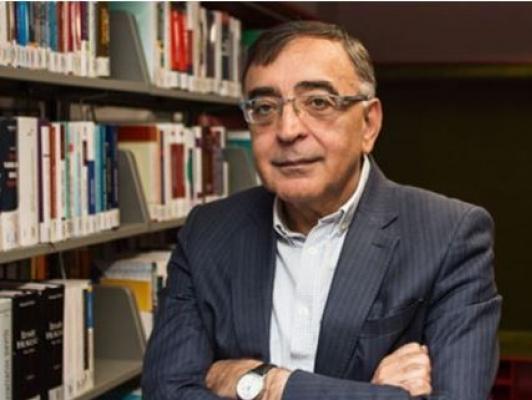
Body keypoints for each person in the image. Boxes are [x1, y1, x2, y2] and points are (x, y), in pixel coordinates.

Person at [142, 21, 501, 400]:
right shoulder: (208, 231)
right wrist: (371, 394)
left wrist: (270, 384)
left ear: (369, 124)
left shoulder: (449, 234)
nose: (287, 130)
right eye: (264, 107)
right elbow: (166, 392)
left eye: (318, 103)